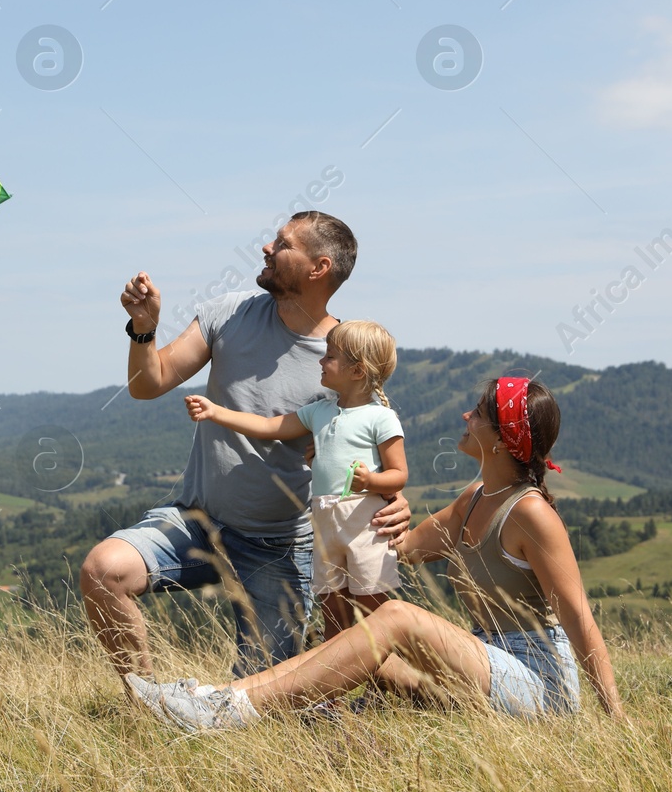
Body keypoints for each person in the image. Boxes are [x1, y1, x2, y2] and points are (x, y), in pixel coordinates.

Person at [125, 377, 626, 729]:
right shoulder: (472, 500)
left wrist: (615, 720)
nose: (466, 414)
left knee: (396, 618)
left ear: (502, 438)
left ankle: (226, 714)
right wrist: (377, 501)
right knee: (355, 648)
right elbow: (400, 548)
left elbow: (578, 617)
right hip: (489, 667)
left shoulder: (531, 512)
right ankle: (215, 697)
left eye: (479, 412)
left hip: (540, 686)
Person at [79, 212, 413, 680]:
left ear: (318, 268)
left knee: (264, 699)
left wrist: (396, 499)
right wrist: (143, 328)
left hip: (279, 547)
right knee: (102, 571)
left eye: (283, 244)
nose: (267, 249)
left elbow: (368, 439)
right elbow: (147, 384)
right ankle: (147, 708)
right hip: (197, 520)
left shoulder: (344, 357)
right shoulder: (230, 312)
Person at [185, 319, 407, 641]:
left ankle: (376, 686)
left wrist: (371, 481)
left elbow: (398, 475)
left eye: (330, 357)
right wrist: (215, 412)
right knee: (334, 615)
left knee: (373, 616)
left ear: (357, 371)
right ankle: (334, 690)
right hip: (325, 521)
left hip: (365, 524)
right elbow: (269, 427)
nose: (321, 361)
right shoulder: (319, 411)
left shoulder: (381, 418)